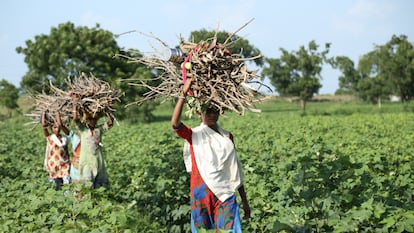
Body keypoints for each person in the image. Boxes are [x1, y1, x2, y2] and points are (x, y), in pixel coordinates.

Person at [171, 78, 251, 232]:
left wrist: (245, 202)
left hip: (225, 194)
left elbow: (234, 170)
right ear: (199, 112)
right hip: (201, 194)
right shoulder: (193, 135)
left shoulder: (227, 137)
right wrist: (183, 93)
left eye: (215, 111)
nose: (212, 115)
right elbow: (175, 124)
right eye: (208, 111)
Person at [72, 96, 114, 189]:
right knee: (87, 186)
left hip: (98, 161)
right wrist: (75, 105)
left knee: (99, 187)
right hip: (86, 161)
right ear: (87, 120)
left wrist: (108, 109)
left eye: (94, 119)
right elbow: (75, 119)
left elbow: (111, 122)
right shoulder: (83, 130)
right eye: (90, 119)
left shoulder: (99, 129)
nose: (93, 121)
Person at [42, 110, 70, 190]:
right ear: (51, 128)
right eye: (54, 127)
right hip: (53, 166)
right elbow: (44, 126)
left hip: (64, 165)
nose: (57, 129)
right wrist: (44, 113)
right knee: (56, 186)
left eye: (58, 127)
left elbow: (66, 151)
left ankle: (67, 198)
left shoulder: (65, 138)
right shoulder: (50, 138)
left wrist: (58, 114)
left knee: (67, 183)